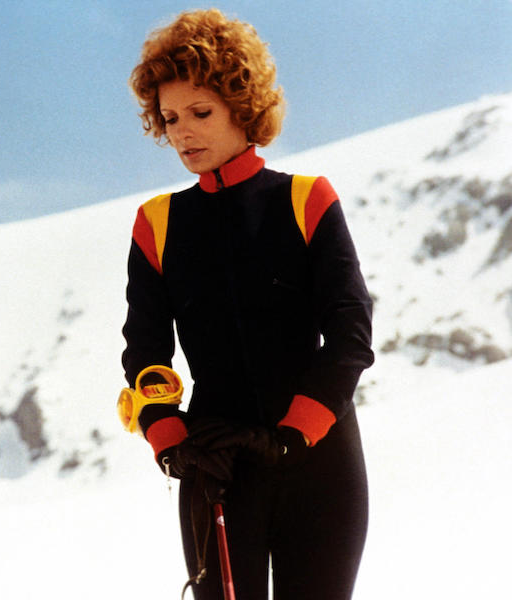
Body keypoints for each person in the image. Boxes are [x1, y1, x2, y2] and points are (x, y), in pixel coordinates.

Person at [121, 9, 374, 600]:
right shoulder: (156, 223)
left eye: (200, 113)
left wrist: (294, 434)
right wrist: (168, 437)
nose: (182, 132)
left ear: (243, 104)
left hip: (320, 460)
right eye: (170, 118)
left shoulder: (307, 199)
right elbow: (146, 350)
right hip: (215, 466)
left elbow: (349, 338)